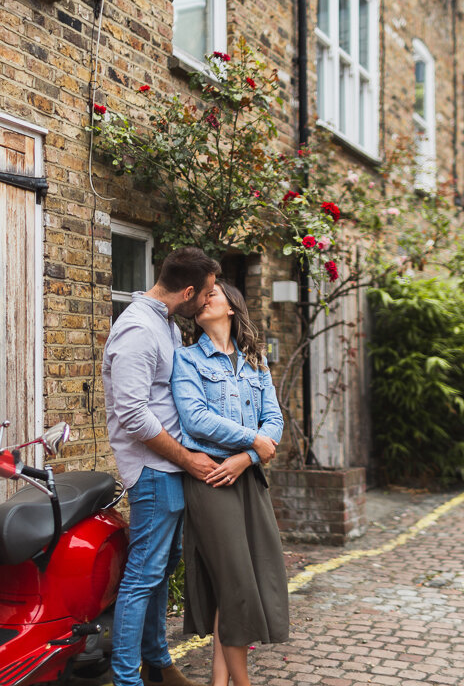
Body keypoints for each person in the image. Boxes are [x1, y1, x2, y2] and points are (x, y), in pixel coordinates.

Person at [103, 246, 222, 686]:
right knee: (142, 576)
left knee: (161, 567)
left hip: (167, 468)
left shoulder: (163, 323)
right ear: (187, 291)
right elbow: (133, 414)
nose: (209, 301)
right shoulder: (138, 329)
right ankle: (126, 679)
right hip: (154, 470)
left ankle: (157, 662)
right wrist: (187, 458)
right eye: (206, 293)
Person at [170, 279, 289, 686]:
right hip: (212, 479)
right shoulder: (186, 359)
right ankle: (243, 683)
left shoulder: (256, 361)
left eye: (212, 295)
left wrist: (248, 456)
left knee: (245, 578)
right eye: (201, 296)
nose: (204, 300)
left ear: (232, 307)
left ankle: (219, 682)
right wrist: (251, 440)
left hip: (245, 476)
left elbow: (274, 422)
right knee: (236, 581)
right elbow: (195, 419)